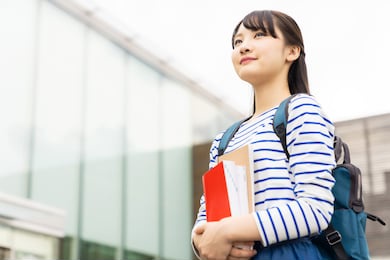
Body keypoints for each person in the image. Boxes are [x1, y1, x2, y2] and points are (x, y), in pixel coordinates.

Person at [192, 10, 336, 260]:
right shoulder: (223, 140)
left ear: (292, 51)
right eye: (238, 41)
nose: (244, 47)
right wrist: (200, 241)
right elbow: (206, 218)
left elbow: (316, 209)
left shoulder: (300, 110)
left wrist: (227, 231)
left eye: (259, 35)